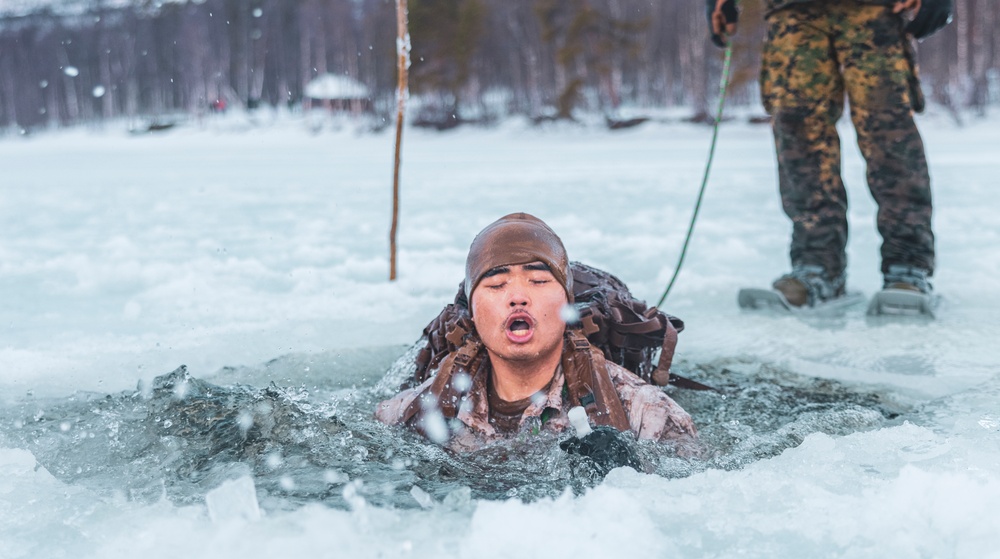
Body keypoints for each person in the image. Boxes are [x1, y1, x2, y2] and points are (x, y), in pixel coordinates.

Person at [375, 212, 697, 472]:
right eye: (497, 284)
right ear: (471, 312)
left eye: (539, 281)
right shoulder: (415, 409)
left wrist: (634, 471)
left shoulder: (644, 410)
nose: (518, 297)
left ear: (568, 304)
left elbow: (698, 489)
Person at [707, 0, 952, 306]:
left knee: (888, 130)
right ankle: (817, 266)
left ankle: (908, 265)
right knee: (799, 131)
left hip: (875, 8)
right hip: (792, 10)